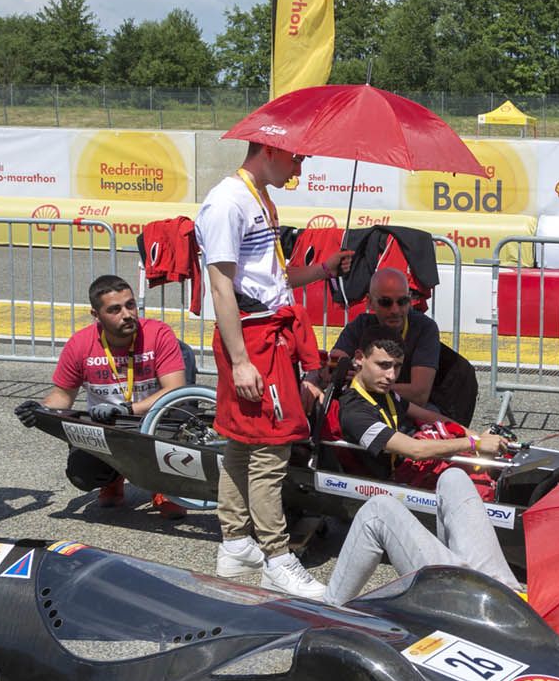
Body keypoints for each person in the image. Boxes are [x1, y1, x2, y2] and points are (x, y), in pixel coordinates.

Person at [197, 142, 351, 598]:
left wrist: (323, 270)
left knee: (243, 444)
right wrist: (241, 360)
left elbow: (272, 279)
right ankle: (277, 558)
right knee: (272, 447)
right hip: (252, 340)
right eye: (296, 158)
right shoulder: (227, 201)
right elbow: (222, 288)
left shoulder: (260, 195)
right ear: (268, 150)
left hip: (266, 333)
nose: (301, 166)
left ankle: (236, 543)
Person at [323, 338, 518, 604]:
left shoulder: (387, 393)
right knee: (381, 505)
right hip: (400, 474)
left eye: (396, 367)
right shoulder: (354, 412)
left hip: (481, 599)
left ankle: (328, 607)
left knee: (454, 476)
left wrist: (473, 434)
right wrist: (473, 443)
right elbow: (414, 450)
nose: (391, 375)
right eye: (383, 366)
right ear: (360, 358)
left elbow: (429, 417)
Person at [23, 274, 189, 517]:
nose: (127, 314)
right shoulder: (80, 344)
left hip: (155, 420)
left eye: (130, 305)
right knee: (82, 474)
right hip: (108, 429)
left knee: (184, 425)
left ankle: (163, 486)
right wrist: (37, 410)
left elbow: (175, 389)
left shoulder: (158, 334)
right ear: (96, 315)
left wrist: (130, 409)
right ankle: (112, 479)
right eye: (115, 309)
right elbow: (62, 397)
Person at [328, 266, 477, 421]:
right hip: (376, 404)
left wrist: (364, 382)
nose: (395, 310)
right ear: (370, 303)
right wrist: (332, 370)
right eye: (386, 302)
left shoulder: (424, 328)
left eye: (402, 301)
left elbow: (419, 395)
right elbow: (333, 369)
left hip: (418, 407)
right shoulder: (360, 325)